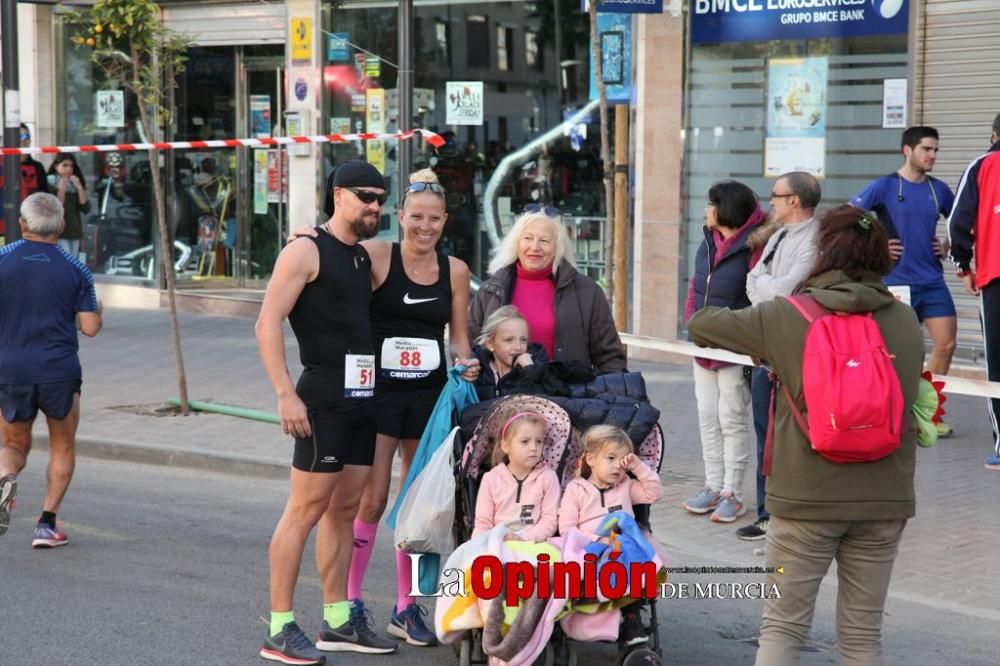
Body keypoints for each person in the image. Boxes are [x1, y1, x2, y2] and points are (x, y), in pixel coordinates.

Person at [687, 204, 924, 665]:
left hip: (804, 498)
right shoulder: (904, 321)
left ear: (821, 252)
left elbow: (700, 324)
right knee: (862, 635)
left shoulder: (785, 316)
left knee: (783, 626)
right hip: (884, 497)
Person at [290, 168, 480, 648]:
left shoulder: (455, 270)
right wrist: (304, 236)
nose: (425, 226)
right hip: (376, 394)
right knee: (370, 501)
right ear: (400, 217)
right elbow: (330, 247)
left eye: (434, 218)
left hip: (428, 400)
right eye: (416, 216)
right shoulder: (376, 256)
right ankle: (350, 601)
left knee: (424, 509)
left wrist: (469, 361)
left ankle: (408, 606)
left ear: (445, 221)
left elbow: (458, 337)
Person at [255, 160, 392, 665]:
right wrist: (284, 393)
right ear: (338, 194)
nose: (375, 206)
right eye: (365, 196)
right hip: (321, 398)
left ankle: (338, 619)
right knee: (305, 510)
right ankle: (279, 627)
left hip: (363, 396)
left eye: (381, 198)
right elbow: (266, 323)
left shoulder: (360, 257)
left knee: (344, 509)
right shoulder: (305, 250)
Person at [0, 193, 102, 548]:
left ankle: (5, 475)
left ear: (23, 224)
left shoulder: (2, 259)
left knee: (12, 444)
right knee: (62, 444)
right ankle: (46, 525)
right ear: (60, 225)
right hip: (59, 370)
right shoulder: (77, 269)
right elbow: (90, 327)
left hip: (10, 368)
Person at [851, 126, 957, 437]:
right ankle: (889, 412)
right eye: (927, 149)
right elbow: (847, 217)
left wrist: (948, 245)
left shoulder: (939, 190)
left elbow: (962, 222)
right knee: (898, 352)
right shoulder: (884, 186)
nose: (933, 155)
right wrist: (876, 243)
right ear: (907, 151)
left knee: (947, 345)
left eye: (936, 150)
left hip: (932, 281)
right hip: (896, 283)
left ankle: (928, 413)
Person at [738, 171, 821, 542]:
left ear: (795, 201)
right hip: (766, 345)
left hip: (796, 353)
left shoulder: (815, 239)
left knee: (793, 435)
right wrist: (767, 289)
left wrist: (765, 288)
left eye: (776, 194)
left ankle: (795, 513)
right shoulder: (779, 236)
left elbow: (787, 291)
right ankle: (765, 513)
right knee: (763, 433)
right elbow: (751, 279)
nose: (770, 201)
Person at [681, 181, 767, 523]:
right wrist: (692, 322)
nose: (706, 210)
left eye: (711, 203)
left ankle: (732, 491)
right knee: (707, 417)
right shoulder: (706, 240)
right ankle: (712, 486)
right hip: (702, 346)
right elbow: (694, 284)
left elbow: (755, 298)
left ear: (726, 209)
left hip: (735, 351)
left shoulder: (754, 247)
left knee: (731, 419)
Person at [469, 206, 626, 374]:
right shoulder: (491, 290)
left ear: (559, 247)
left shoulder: (587, 292)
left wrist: (607, 394)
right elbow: (469, 347)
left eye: (544, 241)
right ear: (516, 242)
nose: (535, 247)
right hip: (502, 396)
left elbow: (610, 357)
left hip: (565, 397)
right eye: (528, 238)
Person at [558, 425, 663, 647]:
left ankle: (631, 619)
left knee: (627, 539)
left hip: (621, 549)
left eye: (622, 460)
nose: (617, 466)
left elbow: (654, 493)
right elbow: (567, 528)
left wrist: (638, 466)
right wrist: (597, 540)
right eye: (611, 458)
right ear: (591, 459)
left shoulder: (626, 486)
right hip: (590, 548)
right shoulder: (577, 489)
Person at [947, 111, 1000, 470]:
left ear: (995, 133)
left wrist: (963, 266)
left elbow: (957, 222)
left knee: (997, 363)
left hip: (996, 280)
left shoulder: (984, 166)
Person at [473, 409, 560, 541]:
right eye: (525, 441)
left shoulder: (548, 477)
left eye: (539, 441)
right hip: (497, 541)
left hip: (533, 543)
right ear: (506, 446)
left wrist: (524, 538)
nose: (533, 448)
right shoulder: (491, 479)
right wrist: (479, 546)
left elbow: (549, 521)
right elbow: (482, 524)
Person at [470, 305, 549, 400]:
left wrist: (530, 371)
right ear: (490, 344)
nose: (518, 347)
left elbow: (545, 401)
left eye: (523, 340)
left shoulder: (538, 367)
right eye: (509, 340)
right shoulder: (477, 371)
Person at [47, 153, 90, 258]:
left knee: (72, 263)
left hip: (74, 231)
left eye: (71, 166)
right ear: (56, 166)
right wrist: (62, 188)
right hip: (58, 231)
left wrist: (79, 187)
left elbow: (85, 208)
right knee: (64, 261)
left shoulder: (74, 184)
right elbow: (57, 207)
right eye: (65, 165)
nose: (69, 169)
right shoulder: (49, 183)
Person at [19, 124, 49, 201]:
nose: (23, 140)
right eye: (18, 136)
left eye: (26, 136)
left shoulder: (37, 166)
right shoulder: (4, 165)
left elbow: (45, 194)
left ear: (30, 140)